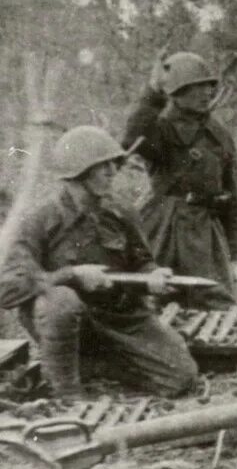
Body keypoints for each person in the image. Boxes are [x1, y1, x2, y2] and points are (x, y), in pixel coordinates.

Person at [0, 126, 198, 400]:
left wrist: (153, 277)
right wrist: (72, 275)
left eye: (113, 164)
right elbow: (8, 288)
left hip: (121, 320)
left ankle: (95, 366)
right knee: (61, 300)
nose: (112, 171)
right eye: (102, 166)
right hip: (71, 323)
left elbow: (141, 262)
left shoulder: (121, 211)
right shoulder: (40, 220)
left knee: (182, 377)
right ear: (78, 173)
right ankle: (66, 393)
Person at [123, 51, 237, 308]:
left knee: (214, 304)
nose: (207, 93)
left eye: (209, 86)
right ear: (177, 92)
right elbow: (132, 140)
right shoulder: (161, 129)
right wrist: (153, 94)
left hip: (205, 233)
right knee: (155, 301)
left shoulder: (219, 134)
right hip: (164, 227)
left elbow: (232, 194)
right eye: (197, 87)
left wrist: (233, 251)